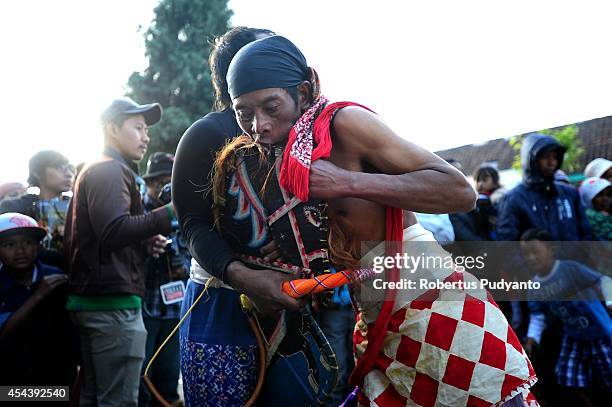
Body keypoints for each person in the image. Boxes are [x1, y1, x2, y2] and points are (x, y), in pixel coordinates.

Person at [220, 35, 537, 406]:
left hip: (435, 304)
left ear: (304, 93)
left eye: (271, 107)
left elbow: (459, 192)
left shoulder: (345, 122)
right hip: (375, 317)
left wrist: (347, 181)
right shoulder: (288, 158)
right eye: (244, 113)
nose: (259, 125)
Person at [172, 27, 277, 407]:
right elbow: (193, 226)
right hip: (219, 305)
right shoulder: (205, 134)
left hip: (293, 304)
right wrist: (244, 276)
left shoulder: (296, 132)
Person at [64, 97, 175, 407]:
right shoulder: (109, 170)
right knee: (118, 401)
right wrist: (170, 212)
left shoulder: (102, 169)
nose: (146, 135)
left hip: (98, 300)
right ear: (112, 128)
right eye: (138, 127)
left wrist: (144, 239)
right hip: (112, 305)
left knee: (94, 397)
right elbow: (113, 231)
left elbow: (106, 234)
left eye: (147, 129)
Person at [521, 229, 612, 406]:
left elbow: (604, 280)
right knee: (567, 377)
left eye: (535, 251)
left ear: (551, 249)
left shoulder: (569, 269)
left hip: (600, 330)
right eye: (526, 254)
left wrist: (609, 302)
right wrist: (532, 339)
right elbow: (538, 316)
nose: (531, 258)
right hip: (574, 336)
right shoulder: (533, 286)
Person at [0, 212, 78, 386]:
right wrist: (38, 295)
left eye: (28, 242)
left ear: (38, 245)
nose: (20, 251)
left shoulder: (56, 278)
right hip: (11, 378)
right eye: (9, 244)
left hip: (55, 376)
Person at [138, 152, 188, 407]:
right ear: (147, 183)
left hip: (175, 309)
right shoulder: (136, 211)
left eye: (170, 181)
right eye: (158, 182)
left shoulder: (187, 209)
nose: (164, 187)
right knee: (140, 376)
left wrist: (185, 267)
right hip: (145, 306)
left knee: (169, 376)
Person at [0, 150, 75, 269]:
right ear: (37, 173)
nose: (69, 174)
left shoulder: (78, 206)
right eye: (59, 167)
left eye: (70, 168)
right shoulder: (14, 208)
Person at [579, 177, 612, 241]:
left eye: (609, 194)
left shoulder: (608, 215)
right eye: (599, 195)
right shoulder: (587, 220)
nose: (605, 199)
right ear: (588, 198)